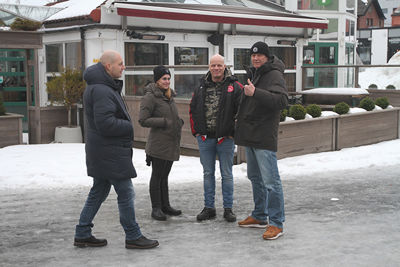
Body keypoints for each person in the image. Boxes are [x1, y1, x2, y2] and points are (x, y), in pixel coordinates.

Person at [74, 50, 159, 249]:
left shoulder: (101, 87)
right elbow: (105, 123)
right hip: (109, 152)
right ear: (107, 67)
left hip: (103, 151)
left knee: (98, 191)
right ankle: (133, 235)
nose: (124, 67)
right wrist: (129, 126)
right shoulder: (102, 90)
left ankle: (82, 232)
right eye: (120, 64)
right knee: (126, 193)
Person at [235, 42, 288, 240]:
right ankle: (259, 215)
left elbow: (282, 101)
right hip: (250, 135)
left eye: (260, 56)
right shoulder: (256, 73)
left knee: (271, 182)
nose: (256, 58)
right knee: (255, 178)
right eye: (253, 55)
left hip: (264, 136)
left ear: (267, 57)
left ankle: (276, 223)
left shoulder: (274, 74)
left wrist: (255, 92)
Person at [189, 54, 242, 222]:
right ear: (209, 66)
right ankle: (209, 207)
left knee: (226, 174)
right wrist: (196, 131)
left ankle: (228, 208)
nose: (216, 68)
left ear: (224, 66)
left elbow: (242, 111)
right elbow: (192, 109)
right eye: (213, 65)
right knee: (207, 173)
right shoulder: (200, 86)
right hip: (205, 139)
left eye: (219, 65)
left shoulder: (235, 86)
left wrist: (233, 132)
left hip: (225, 139)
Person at [139, 65, 184, 221]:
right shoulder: (150, 97)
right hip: (158, 144)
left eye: (169, 79)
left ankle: (165, 206)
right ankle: (156, 208)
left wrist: (178, 122)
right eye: (164, 79)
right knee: (157, 176)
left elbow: (171, 116)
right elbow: (143, 120)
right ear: (157, 80)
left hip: (170, 143)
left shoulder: (169, 95)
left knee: (164, 176)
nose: (167, 81)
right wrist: (164, 122)